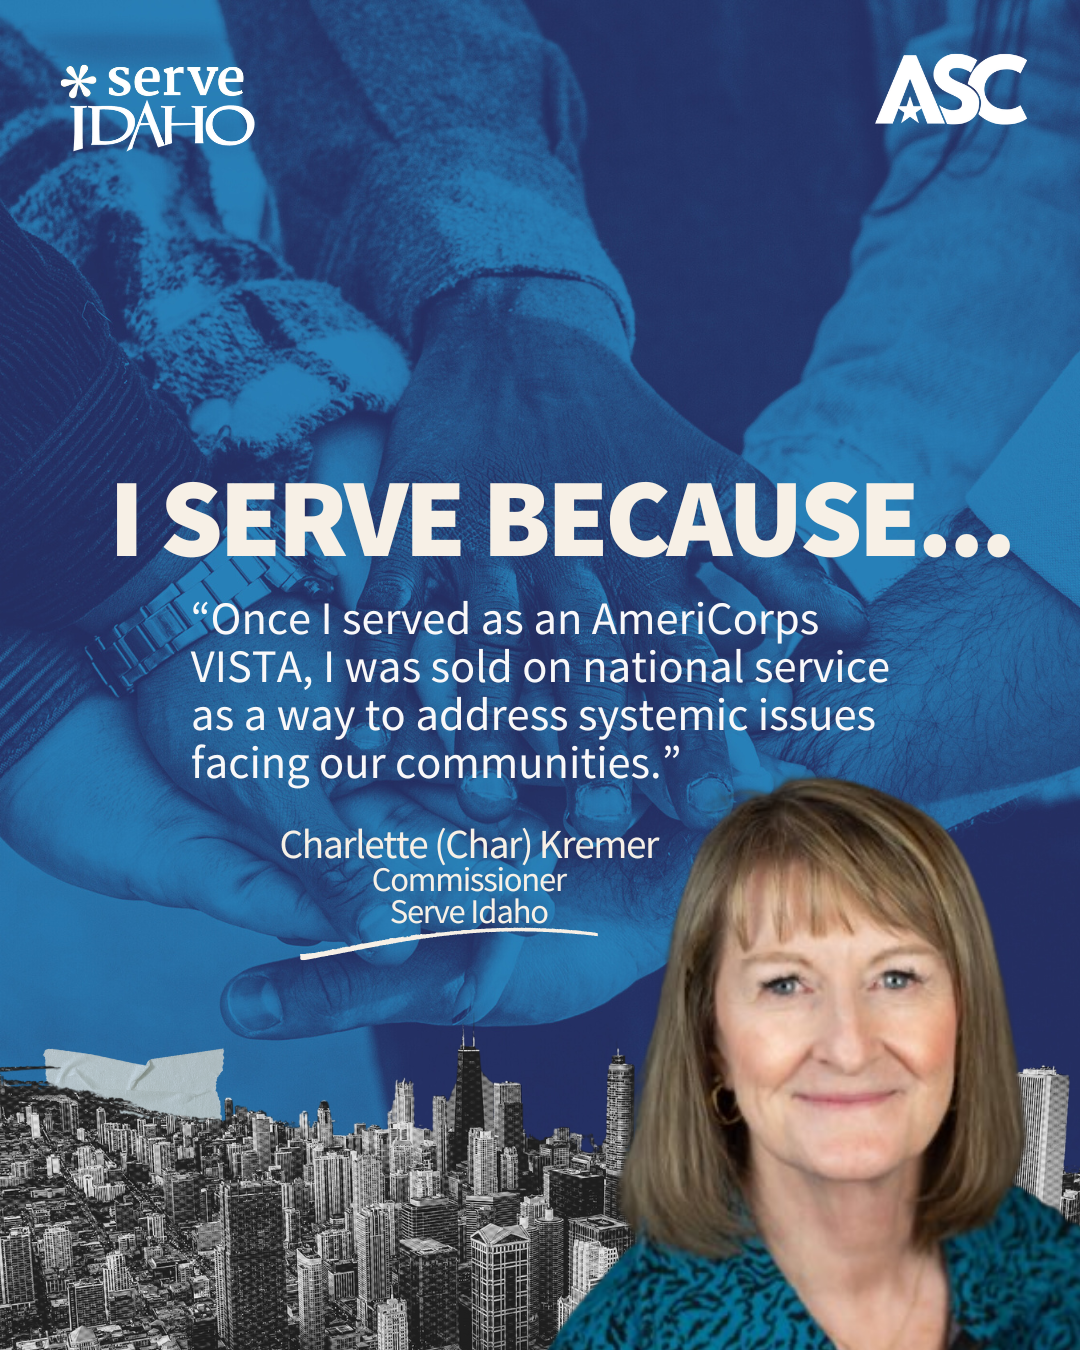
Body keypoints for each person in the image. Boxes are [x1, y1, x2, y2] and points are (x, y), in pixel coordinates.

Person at [554, 779, 1080, 1350]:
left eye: (896, 978)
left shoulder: (1045, 1270)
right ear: (714, 1045)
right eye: (785, 984)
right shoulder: (638, 1327)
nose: (849, 1046)